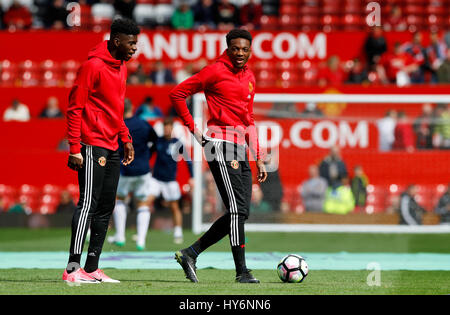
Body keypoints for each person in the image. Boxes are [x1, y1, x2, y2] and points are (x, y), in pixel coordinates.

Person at [169, 29, 267, 283]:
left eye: (245, 49)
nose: (240, 54)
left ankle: (190, 253)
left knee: (241, 212)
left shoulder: (250, 78)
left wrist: (258, 155)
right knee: (236, 210)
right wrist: (195, 130)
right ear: (228, 48)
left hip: (240, 148)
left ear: (250, 51)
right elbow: (177, 94)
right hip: (219, 144)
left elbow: (249, 120)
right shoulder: (214, 71)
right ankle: (242, 272)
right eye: (236, 48)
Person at [63, 18, 139, 284]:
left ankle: (92, 268)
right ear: (117, 41)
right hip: (92, 144)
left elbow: (115, 109)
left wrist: (125, 137)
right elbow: (75, 108)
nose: (134, 48)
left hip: (113, 144)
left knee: (106, 206)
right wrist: (75, 147)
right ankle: (72, 269)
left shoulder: (121, 68)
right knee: (88, 204)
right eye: (131, 43)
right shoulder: (92, 67)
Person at [108, 99, 158, 250]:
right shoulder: (143, 124)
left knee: (121, 200)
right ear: (133, 108)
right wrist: (147, 156)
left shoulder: (118, 125)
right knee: (143, 203)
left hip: (124, 169)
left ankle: (120, 236)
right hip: (143, 170)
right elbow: (155, 141)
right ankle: (141, 241)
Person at [150, 117, 193, 244]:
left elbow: (188, 160)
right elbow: (149, 154)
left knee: (174, 206)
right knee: (146, 202)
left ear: (172, 128)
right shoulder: (158, 141)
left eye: (169, 127)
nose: (167, 130)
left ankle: (178, 233)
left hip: (170, 181)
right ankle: (141, 234)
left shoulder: (178, 143)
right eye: (165, 127)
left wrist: (192, 177)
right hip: (156, 180)